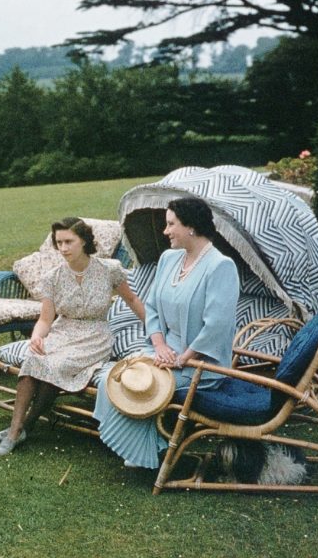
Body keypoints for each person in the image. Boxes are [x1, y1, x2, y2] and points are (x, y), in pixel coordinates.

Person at [94, 197, 239, 469]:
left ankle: (145, 449)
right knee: (111, 378)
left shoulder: (220, 267)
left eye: (171, 224)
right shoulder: (169, 258)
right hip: (163, 352)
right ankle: (144, 445)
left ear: (191, 227)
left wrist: (182, 358)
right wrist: (160, 347)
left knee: (144, 386)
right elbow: (152, 307)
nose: (165, 231)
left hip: (200, 363)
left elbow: (216, 326)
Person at [0, 217, 144, 454]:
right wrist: (36, 338)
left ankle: (21, 429)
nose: (62, 248)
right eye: (58, 242)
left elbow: (133, 300)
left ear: (83, 241)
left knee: (58, 364)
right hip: (62, 331)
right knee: (34, 358)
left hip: (95, 336)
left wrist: (156, 330)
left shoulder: (109, 269)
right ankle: (15, 428)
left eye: (68, 242)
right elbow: (45, 318)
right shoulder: (52, 277)